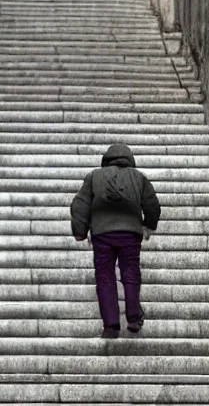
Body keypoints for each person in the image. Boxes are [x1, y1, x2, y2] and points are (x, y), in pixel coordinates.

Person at [70, 144, 161, 338]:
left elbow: (80, 205)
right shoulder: (139, 177)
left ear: (106, 160)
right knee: (131, 273)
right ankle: (134, 317)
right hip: (130, 234)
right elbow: (152, 204)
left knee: (105, 277)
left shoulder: (94, 177)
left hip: (102, 234)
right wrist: (149, 225)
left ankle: (111, 326)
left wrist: (80, 231)